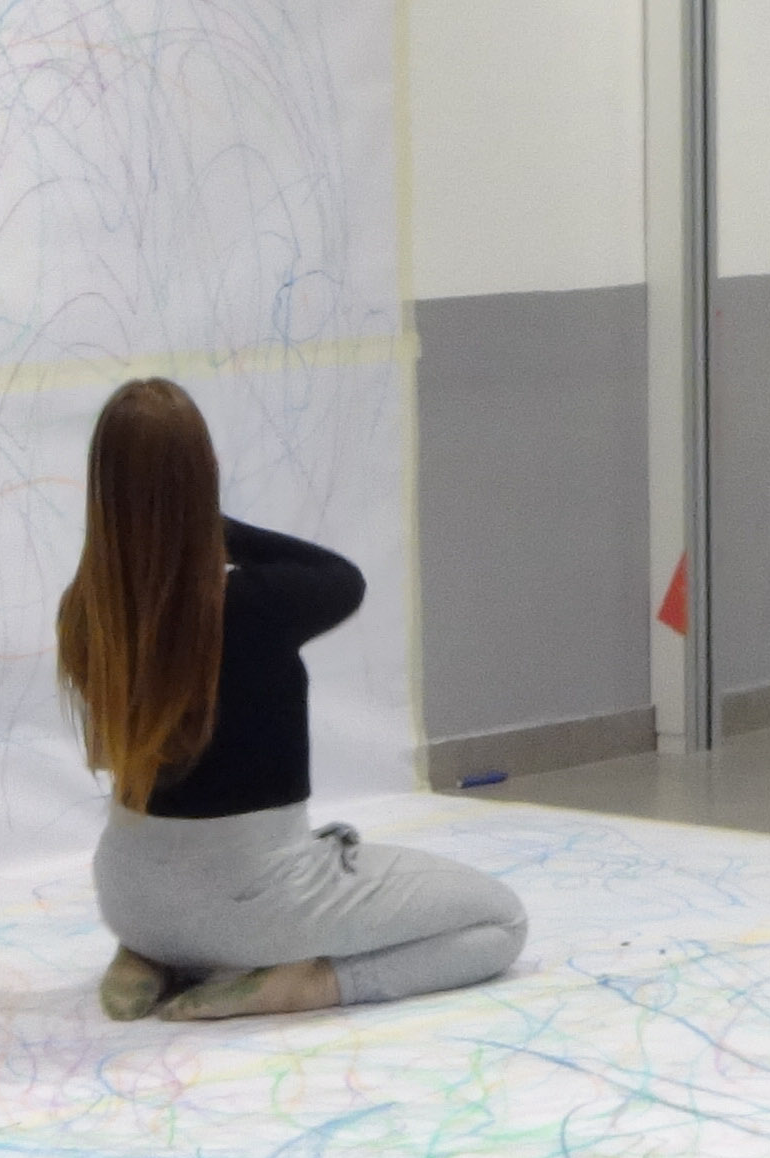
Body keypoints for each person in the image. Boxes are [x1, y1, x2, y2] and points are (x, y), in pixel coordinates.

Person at [56, 378, 525, 1021]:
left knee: (187, 910)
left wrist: (152, 522)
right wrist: (201, 523)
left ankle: (153, 957)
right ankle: (305, 985)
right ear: (204, 478)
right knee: (501, 923)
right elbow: (341, 579)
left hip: (129, 898)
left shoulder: (86, 614)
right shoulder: (254, 606)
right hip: (250, 910)